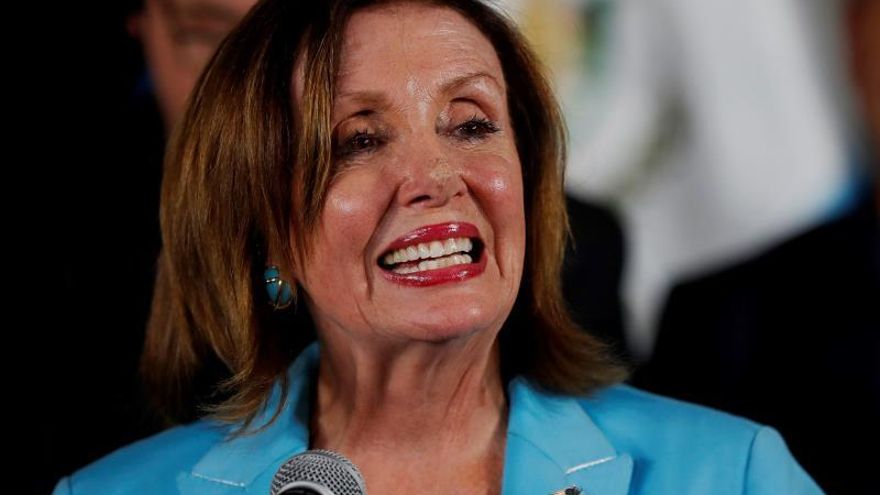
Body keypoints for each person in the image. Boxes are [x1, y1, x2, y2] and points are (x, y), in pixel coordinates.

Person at [52, 0, 823, 493]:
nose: (435, 177)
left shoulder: (734, 472)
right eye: (357, 139)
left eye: (471, 123)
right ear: (264, 227)